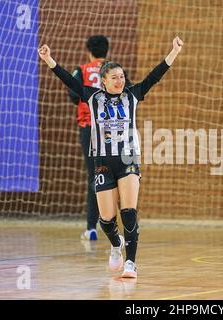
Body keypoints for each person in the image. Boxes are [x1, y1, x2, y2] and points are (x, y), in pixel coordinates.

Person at [38, 37, 183, 278]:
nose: (120, 81)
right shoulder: (93, 97)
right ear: (103, 81)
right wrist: (48, 59)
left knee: (128, 211)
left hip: (128, 160)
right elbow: (68, 80)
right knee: (106, 218)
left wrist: (174, 52)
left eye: (122, 76)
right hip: (103, 163)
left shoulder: (133, 95)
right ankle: (116, 245)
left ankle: (131, 264)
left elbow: (155, 75)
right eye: (114, 77)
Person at [68, 35, 131, 241]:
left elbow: (73, 95)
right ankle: (121, 226)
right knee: (121, 174)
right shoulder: (114, 71)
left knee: (95, 175)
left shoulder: (82, 70)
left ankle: (91, 227)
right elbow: (127, 92)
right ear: (107, 50)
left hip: (89, 127)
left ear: (89, 51)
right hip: (114, 127)